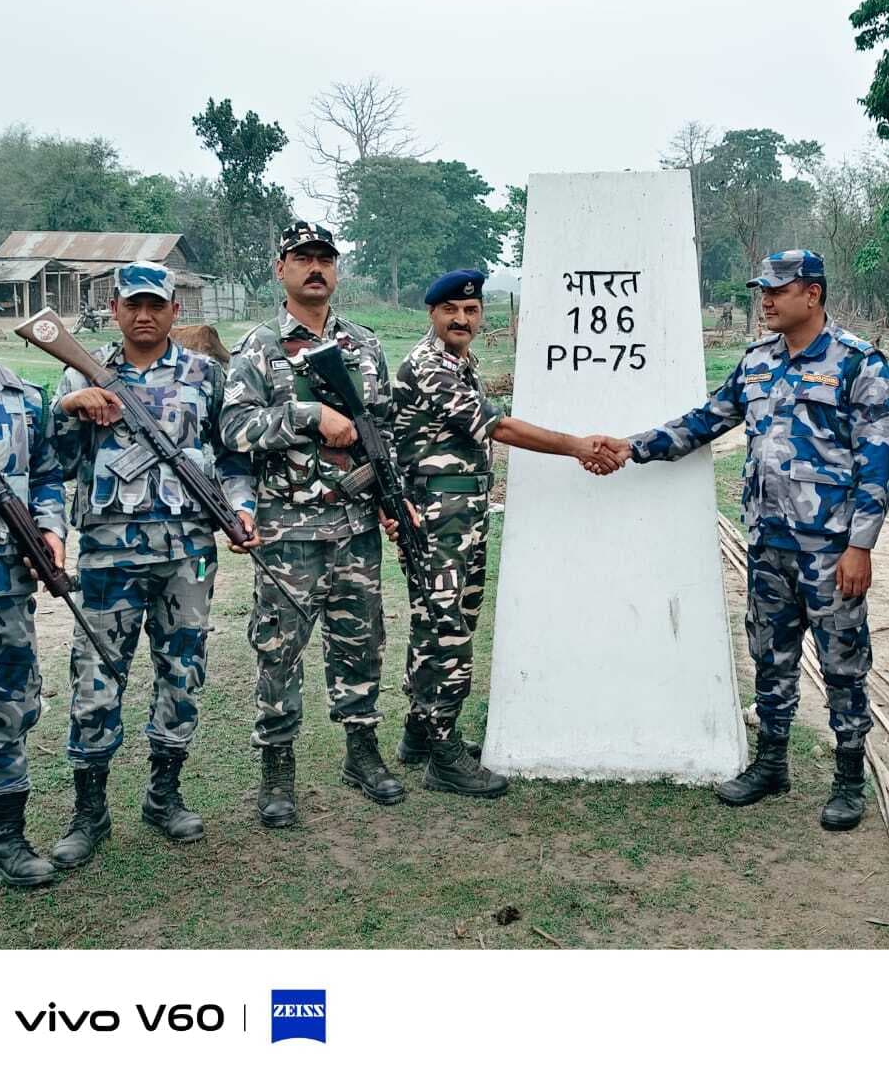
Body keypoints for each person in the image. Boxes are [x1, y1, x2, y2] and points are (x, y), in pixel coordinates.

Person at [594, 250, 889, 829]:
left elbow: (877, 464)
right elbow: (705, 420)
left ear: (812, 294)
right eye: (763, 290)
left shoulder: (859, 364)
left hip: (831, 549)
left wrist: (860, 547)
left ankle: (849, 780)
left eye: (778, 291)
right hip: (768, 541)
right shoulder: (758, 361)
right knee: (770, 656)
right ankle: (771, 764)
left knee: (843, 663)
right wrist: (632, 447)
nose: (766, 301)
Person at [392, 269, 619, 798]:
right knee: (446, 628)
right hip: (437, 515)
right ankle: (443, 753)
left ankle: (420, 732)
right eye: (451, 310)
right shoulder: (428, 366)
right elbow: (498, 428)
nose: (462, 319)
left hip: (462, 511)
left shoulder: (462, 363)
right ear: (432, 313)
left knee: (448, 619)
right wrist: (576, 446)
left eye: (471, 311)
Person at [48, 262, 245, 868]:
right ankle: (90, 811)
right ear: (114, 309)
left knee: (182, 670)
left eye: (155, 305)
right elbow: (54, 463)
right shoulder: (81, 372)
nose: (143, 315)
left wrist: (240, 508)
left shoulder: (205, 375)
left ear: (174, 311)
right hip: (110, 557)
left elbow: (232, 456)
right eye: (132, 304)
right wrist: (69, 408)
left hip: (188, 555)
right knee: (96, 677)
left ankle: (164, 795)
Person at [221, 222, 407, 827]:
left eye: (325, 258)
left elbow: (383, 429)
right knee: (279, 650)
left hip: (355, 527)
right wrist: (309, 415)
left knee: (361, 643)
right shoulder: (258, 347)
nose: (316, 268)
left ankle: (361, 752)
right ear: (281, 269)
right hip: (287, 533)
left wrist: (390, 496)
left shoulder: (365, 345)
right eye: (302, 258)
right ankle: (277, 769)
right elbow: (233, 429)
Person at [0, 277, 66, 887]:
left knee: (7, 710)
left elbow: (48, 476)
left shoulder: (24, 399)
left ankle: (4, 843)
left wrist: (51, 530)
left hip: (3, 588)